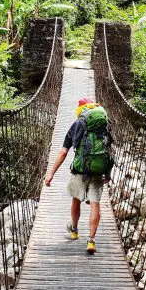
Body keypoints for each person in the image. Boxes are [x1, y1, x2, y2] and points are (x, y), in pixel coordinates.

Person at [44, 97, 112, 254]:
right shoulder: (104, 121)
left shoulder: (78, 123)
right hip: (98, 169)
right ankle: (91, 241)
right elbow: (108, 147)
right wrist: (107, 172)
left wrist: (51, 174)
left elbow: (63, 151)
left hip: (80, 169)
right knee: (95, 204)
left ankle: (74, 231)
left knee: (76, 199)